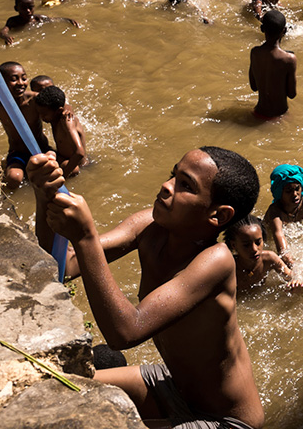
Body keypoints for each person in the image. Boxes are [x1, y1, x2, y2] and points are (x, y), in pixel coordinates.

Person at [28, 146, 265, 429]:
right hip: (173, 385)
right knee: (52, 389)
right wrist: (45, 198)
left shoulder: (217, 261)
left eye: (185, 185)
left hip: (224, 421)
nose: (166, 187)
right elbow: (63, 267)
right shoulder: (150, 226)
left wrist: (85, 235)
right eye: (172, 175)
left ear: (219, 215)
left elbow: (125, 332)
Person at [0, 61, 50, 189]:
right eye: (14, 79)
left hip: (41, 149)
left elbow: (58, 103)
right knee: (14, 179)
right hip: (18, 152)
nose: (21, 83)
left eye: (24, 78)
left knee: (63, 172)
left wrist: (67, 108)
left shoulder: (35, 100)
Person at [224, 214, 303, 292]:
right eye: (246, 245)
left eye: (258, 242)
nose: (254, 249)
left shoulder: (269, 258)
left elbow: (291, 276)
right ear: (233, 245)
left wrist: (298, 283)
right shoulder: (228, 266)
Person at [248, 11, 297, 120]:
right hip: (278, 117)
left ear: (262, 29)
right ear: (284, 31)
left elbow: (253, 86)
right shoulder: (289, 59)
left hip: (257, 113)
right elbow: (292, 94)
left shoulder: (255, 53)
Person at [33, 85, 87, 177]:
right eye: (40, 113)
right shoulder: (54, 114)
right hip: (62, 157)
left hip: (76, 164)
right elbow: (66, 105)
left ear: (59, 111)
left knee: (70, 168)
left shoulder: (66, 122)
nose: (42, 117)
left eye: (44, 114)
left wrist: (63, 175)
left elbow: (79, 153)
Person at [0, 0, 79, 45]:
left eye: (30, 8)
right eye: (24, 8)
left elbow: (54, 19)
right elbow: (3, 31)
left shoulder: (38, 18)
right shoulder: (14, 21)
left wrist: (68, 20)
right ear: (16, 9)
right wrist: (5, 36)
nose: (28, 11)